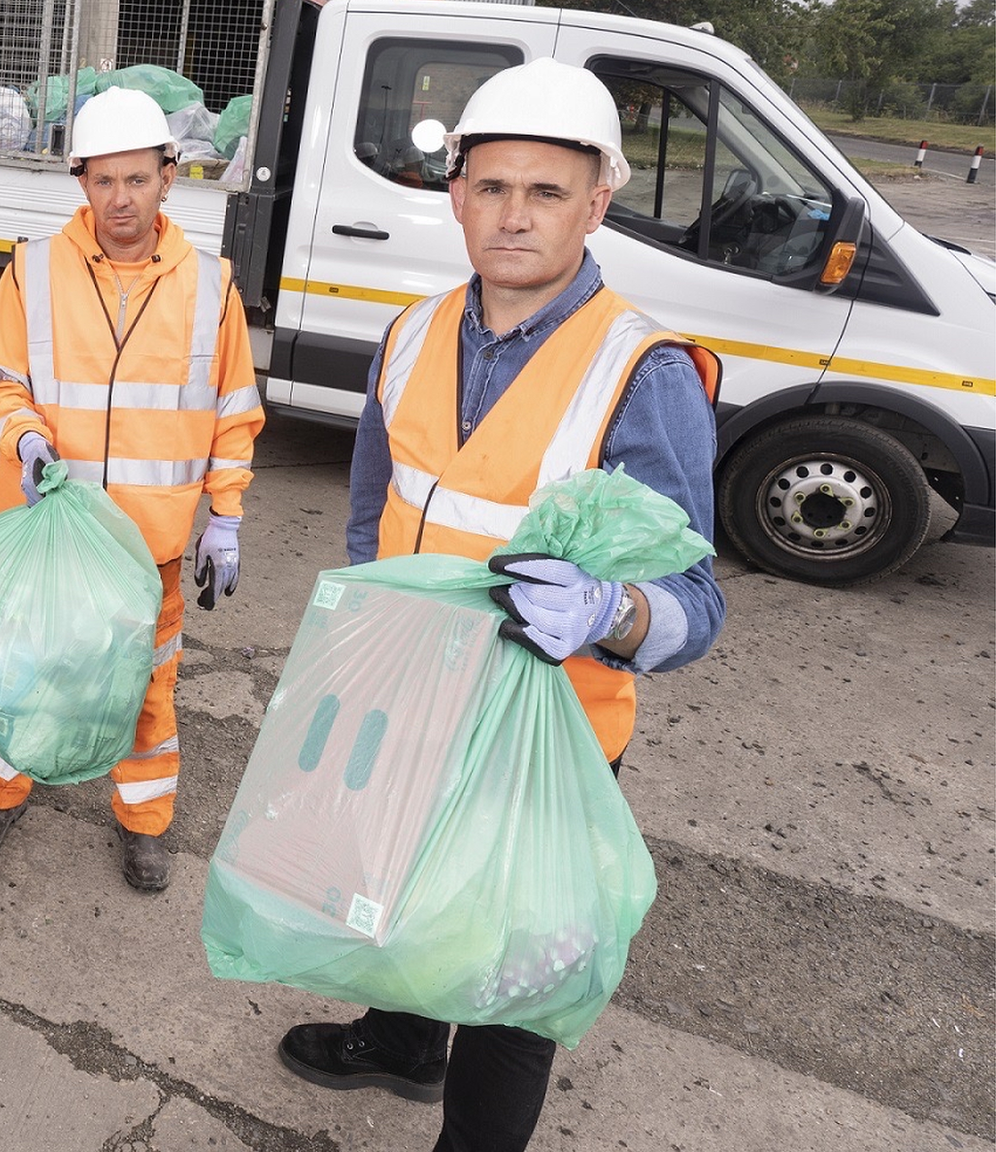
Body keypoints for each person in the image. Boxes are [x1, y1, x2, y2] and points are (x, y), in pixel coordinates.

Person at [274, 59, 725, 1151]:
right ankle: (400, 1041)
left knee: (513, 978)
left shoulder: (640, 371)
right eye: (490, 187)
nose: (512, 216)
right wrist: (359, 630)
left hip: (543, 735)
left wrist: (611, 612)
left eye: (546, 192)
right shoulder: (411, 332)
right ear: (454, 194)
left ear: (596, 203)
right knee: (394, 889)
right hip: (412, 704)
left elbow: (693, 605)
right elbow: (375, 513)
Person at [0, 86, 263, 892]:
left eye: (137, 180)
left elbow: (233, 411)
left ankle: (143, 823)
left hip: (146, 552)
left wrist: (224, 514)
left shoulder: (210, 286)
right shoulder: (34, 271)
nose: (119, 200)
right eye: (102, 181)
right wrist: (22, 435)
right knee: (17, 674)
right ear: (80, 182)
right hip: (48, 535)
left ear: (169, 176)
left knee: (146, 693)